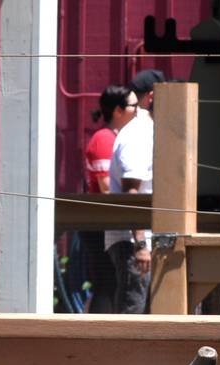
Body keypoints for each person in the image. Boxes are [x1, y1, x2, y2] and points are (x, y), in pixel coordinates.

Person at [104, 71, 161, 313]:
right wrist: (141, 245)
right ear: (152, 97)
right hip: (133, 241)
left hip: (143, 238)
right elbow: (131, 191)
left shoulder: (145, 130)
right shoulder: (139, 134)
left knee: (140, 311)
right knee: (132, 313)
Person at [82, 85, 136, 312]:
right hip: (101, 226)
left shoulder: (117, 138)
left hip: (110, 226)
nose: (138, 111)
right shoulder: (104, 139)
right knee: (107, 284)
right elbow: (106, 189)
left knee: (112, 284)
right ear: (118, 111)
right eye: (134, 106)